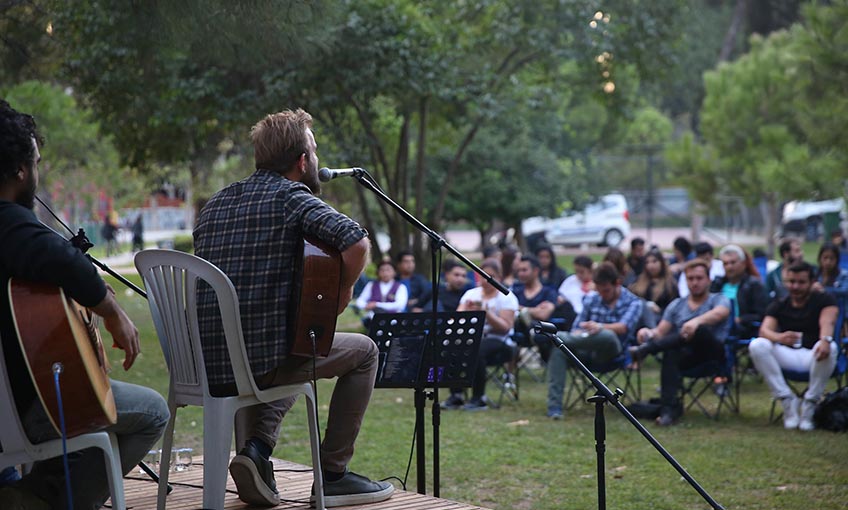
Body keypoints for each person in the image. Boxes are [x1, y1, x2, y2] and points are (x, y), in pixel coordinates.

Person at [193, 109, 393, 507]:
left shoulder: (214, 204)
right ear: (302, 161)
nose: (317, 158)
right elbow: (355, 242)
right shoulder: (290, 197)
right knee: (363, 352)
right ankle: (333, 473)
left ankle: (255, 453)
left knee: (296, 347)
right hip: (262, 363)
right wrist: (342, 294)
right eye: (314, 150)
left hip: (206, 365)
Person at [0, 100, 169, 509]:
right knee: (153, 412)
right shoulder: (11, 223)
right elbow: (63, 261)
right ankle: (47, 499)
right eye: (36, 162)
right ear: (21, 170)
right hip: (29, 407)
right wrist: (113, 313)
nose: (38, 172)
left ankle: (32, 491)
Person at [630, 259, 732, 426]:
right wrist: (648, 333)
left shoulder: (718, 299)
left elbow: (721, 313)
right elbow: (660, 332)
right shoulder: (677, 305)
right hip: (686, 358)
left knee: (698, 330)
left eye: (699, 278)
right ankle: (668, 411)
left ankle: (647, 350)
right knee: (671, 352)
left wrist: (696, 321)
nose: (695, 283)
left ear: (708, 280)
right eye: (690, 279)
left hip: (711, 355)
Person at [748, 262, 838, 431]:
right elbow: (764, 330)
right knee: (757, 345)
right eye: (791, 282)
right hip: (788, 354)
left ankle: (810, 405)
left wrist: (825, 340)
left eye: (801, 282)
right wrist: (779, 337)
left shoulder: (825, 300)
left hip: (813, 355)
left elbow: (828, 322)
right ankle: (787, 399)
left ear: (812, 282)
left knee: (830, 346)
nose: (795, 287)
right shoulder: (780, 303)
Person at [547, 262, 642, 420]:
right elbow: (576, 328)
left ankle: (554, 337)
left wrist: (599, 327)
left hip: (612, 351)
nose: (601, 294)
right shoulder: (592, 299)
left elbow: (623, 327)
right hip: (586, 348)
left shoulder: (633, 302)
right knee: (560, 350)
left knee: (607, 334)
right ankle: (554, 407)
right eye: (598, 289)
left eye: (605, 290)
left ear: (617, 283)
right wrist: (584, 331)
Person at [439, 258, 519, 411]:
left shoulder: (507, 297)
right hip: (471, 338)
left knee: (476, 349)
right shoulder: (471, 294)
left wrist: (486, 313)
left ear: (499, 277)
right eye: (482, 275)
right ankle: (456, 395)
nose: (486, 280)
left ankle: (479, 398)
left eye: (490, 276)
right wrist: (467, 312)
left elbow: (505, 328)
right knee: (450, 344)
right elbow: (455, 321)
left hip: (500, 341)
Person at [710, 244, 767, 339]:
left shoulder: (753, 285)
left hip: (742, 329)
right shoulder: (717, 284)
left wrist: (740, 319)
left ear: (743, 264)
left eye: (733, 262)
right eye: (725, 263)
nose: (729, 267)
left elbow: (761, 314)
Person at [512, 254, 561, 362]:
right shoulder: (515, 292)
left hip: (543, 334)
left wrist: (522, 309)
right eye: (519, 270)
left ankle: (532, 329)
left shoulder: (548, 292)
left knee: (525, 317)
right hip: (518, 331)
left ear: (535, 271)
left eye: (524, 270)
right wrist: (534, 310)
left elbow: (544, 315)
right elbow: (509, 311)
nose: (520, 274)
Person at [628, 248, 679, 327]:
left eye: (654, 261)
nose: (650, 265)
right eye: (647, 262)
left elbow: (675, 308)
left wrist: (659, 310)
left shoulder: (670, 284)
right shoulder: (638, 281)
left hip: (661, 321)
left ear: (661, 263)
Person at [355, 259, 408, 326]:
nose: (385, 273)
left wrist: (376, 304)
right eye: (382, 270)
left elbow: (400, 305)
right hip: (373, 319)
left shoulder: (400, 287)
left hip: (394, 320)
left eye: (388, 270)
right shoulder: (371, 285)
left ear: (394, 272)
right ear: (378, 272)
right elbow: (359, 301)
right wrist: (366, 306)